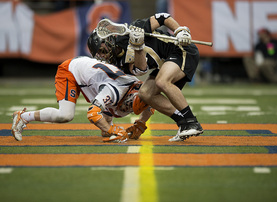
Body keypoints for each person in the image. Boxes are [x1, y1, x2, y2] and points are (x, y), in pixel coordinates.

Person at [87, 13, 203, 142]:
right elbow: (141, 69)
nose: (102, 56)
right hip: (166, 62)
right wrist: (138, 47)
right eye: (98, 54)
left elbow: (162, 17)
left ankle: (192, 122)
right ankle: (184, 124)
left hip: (181, 50)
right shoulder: (118, 63)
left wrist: (180, 31)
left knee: (162, 81)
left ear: (108, 41)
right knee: (145, 93)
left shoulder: (132, 30)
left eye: (102, 51)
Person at [11, 56, 153, 143]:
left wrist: (140, 123)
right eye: (128, 104)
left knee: (106, 125)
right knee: (65, 115)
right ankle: (23, 117)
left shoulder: (141, 91)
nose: (127, 108)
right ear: (129, 94)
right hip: (71, 71)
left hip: (92, 76)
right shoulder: (115, 90)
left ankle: (108, 125)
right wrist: (111, 129)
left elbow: (150, 105)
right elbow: (92, 113)